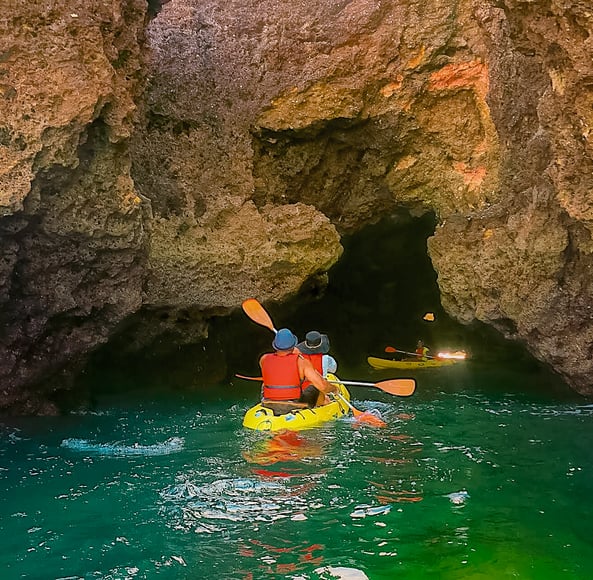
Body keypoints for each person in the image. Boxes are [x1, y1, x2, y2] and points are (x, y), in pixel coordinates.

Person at [259, 328, 337, 413]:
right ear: (293, 345)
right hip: (292, 406)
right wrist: (334, 389)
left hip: (268, 403)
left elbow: (279, 370)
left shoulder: (264, 359)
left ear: (275, 345)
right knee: (314, 387)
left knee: (264, 384)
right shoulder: (301, 361)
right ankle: (323, 404)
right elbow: (322, 386)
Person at [297, 330, 332, 406]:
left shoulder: (298, 359)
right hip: (317, 396)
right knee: (327, 399)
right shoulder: (326, 359)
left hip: (299, 394)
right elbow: (333, 369)